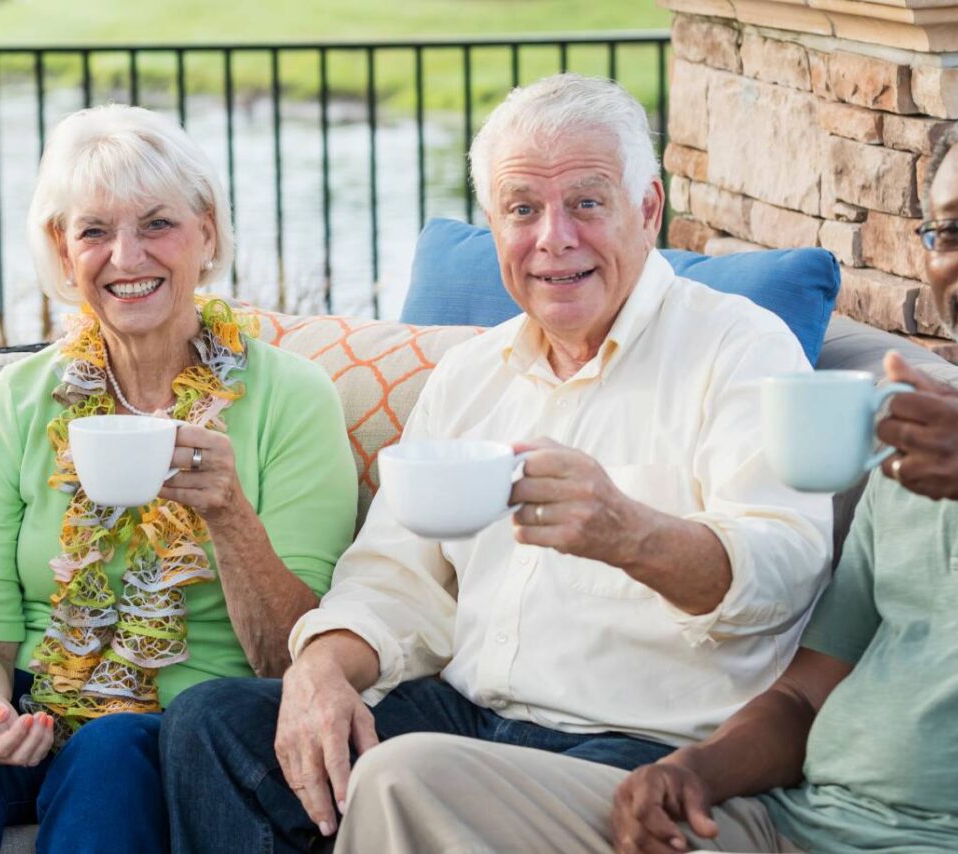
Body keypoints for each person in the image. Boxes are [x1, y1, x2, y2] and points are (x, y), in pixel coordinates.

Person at [333, 100, 958, 854]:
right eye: (950, 235)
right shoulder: (929, 435)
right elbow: (806, 693)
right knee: (403, 779)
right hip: (790, 826)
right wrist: (696, 774)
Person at [161, 73, 833, 853]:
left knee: (404, 774)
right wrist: (319, 667)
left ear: (648, 211)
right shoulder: (471, 375)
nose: (554, 238)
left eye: (586, 202)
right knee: (212, 726)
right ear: (494, 223)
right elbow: (394, 576)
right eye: (523, 209)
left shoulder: (739, 348)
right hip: (469, 717)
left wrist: (631, 535)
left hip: (644, 745)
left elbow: (785, 569)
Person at [0, 104, 359, 854]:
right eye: (94, 231)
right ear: (63, 255)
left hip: (193, 717)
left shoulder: (292, 398)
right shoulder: (18, 400)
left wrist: (229, 515)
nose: (126, 257)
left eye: (157, 224)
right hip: (40, 697)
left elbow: (292, 654)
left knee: (108, 756)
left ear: (207, 233)